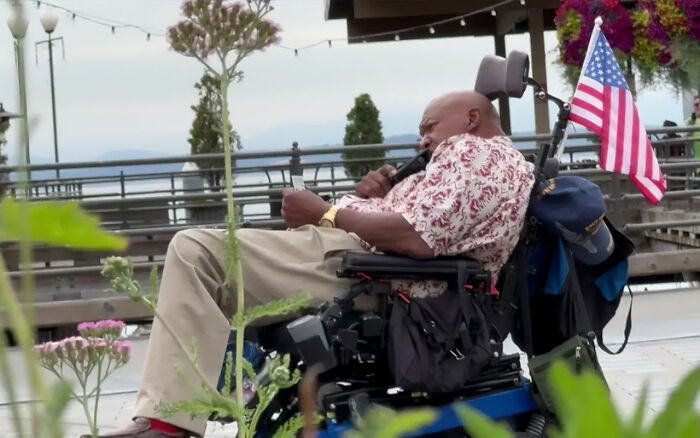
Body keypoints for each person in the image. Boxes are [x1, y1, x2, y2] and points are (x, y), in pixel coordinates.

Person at [91, 90, 535, 438]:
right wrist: (373, 198)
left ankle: (169, 424)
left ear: (472, 119)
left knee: (196, 252)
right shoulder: (479, 164)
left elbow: (414, 236)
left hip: (368, 276)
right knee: (210, 263)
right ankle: (195, 399)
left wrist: (325, 212)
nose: (423, 140)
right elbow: (424, 223)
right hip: (363, 264)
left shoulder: (476, 153)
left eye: (429, 128)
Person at [685, 95, 700, 166]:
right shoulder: (689, 122)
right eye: (696, 105)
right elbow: (685, 140)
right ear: (693, 107)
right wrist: (692, 126)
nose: (699, 107)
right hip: (696, 163)